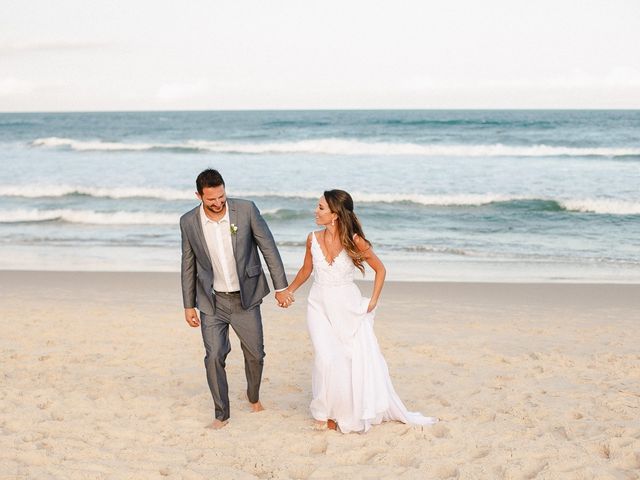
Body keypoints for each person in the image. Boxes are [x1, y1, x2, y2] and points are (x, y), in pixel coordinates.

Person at [283, 189, 438, 433]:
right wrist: (288, 290)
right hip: (318, 304)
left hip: (347, 306)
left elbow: (380, 269)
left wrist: (373, 300)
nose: (316, 211)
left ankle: (341, 413)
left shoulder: (354, 240)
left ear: (335, 214)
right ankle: (323, 413)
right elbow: (306, 270)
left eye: (321, 207)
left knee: (344, 359)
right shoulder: (312, 238)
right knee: (325, 357)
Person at [180, 169, 293, 429]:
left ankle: (253, 395)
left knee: (256, 354)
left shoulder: (246, 210)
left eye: (221, 196)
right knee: (214, 355)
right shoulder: (188, 222)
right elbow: (188, 264)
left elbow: (268, 247)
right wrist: (188, 305)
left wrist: (280, 287)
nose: (218, 203)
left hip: (246, 298)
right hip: (212, 301)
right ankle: (221, 414)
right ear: (199, 195)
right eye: (211, 200)